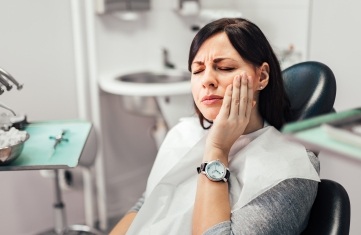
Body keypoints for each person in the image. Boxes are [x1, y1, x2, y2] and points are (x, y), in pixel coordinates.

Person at [110, 17, 320, 235]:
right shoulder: (183, 134)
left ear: (262, 76)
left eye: (225, 67)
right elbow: (146, 206)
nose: (207, 80)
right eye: (197, 70)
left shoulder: (291, 169)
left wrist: (217, 150)